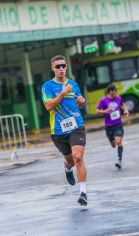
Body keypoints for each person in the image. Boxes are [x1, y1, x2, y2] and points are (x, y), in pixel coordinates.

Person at [41, 55, 88, 206]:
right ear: (52, 68)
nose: (61, 69)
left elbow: (78, 103)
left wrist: (81, 102)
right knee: (70, 161)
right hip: (59, 130)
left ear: (66, 67)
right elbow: (49, 107)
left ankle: (83, 193)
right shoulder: (47, 87)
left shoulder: (73, 84)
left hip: (76, 126)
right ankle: (67, 168)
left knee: (78, 157)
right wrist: (62, 92)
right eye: (57, 66)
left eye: (63, 66)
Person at [96, 84, 129, 170]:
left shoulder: (119, 98)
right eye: (115, 90)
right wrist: (105, 111)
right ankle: (113, 142)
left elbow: (123, 105)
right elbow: (97, 111)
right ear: (110, 91)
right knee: (113, 145)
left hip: (118, 124)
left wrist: (125, 110)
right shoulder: (103, 100)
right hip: (109, 126)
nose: (116, 92)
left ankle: (119, 161)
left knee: (118, 141)